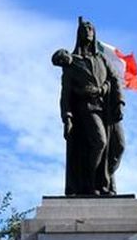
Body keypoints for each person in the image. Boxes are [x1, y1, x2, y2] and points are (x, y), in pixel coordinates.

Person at [51, 18, 125, 196]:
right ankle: (91, 184)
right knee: (100, 142)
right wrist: (67, 118)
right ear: (79, 34)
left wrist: (119, 102)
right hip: (87, 108)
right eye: (85, 28)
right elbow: (66, 94)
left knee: (119, 146)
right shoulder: (71, 63)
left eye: (91, 28)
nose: (88, 31)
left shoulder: (102, 59)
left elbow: (114, 80)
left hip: (107, 108)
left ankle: (105, 178)